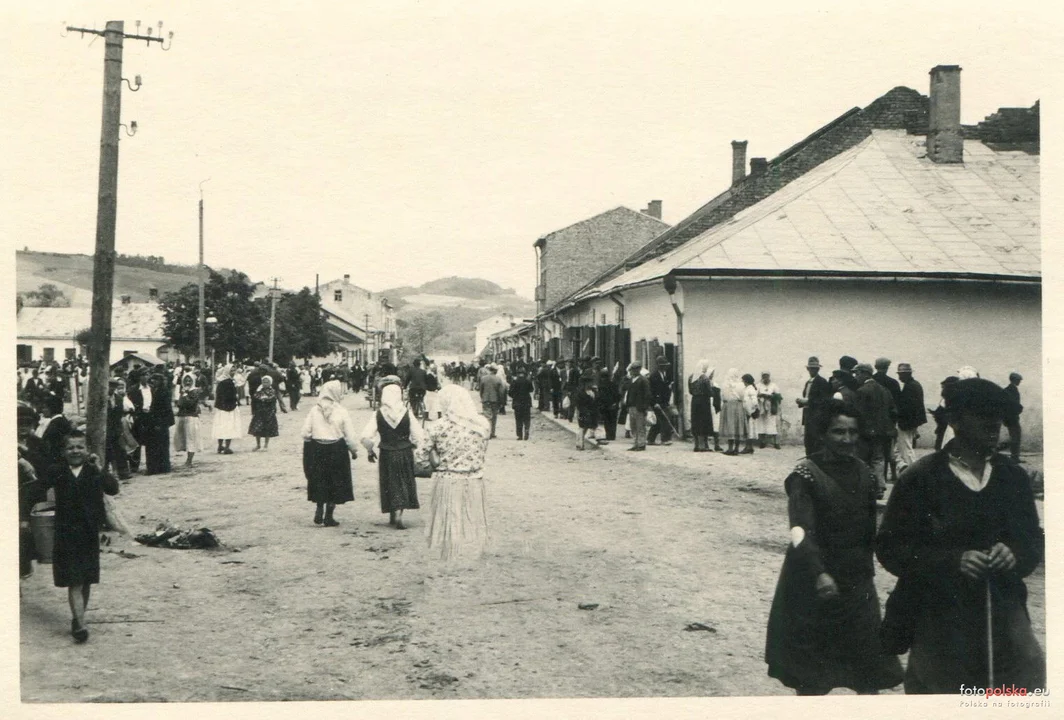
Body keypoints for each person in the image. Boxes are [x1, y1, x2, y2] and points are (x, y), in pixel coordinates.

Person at [876, 378, 1045, 694]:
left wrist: (1015, 553)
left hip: (1004, 613)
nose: (994, 422)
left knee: (1024, 681)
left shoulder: (1013, 477)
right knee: (943, 693)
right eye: (982, 413)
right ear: (954, 421)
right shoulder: (921, 478)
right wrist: (952, 561)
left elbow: (1032, 541)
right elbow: (890, 547)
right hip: (938, 616)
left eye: (999, 413)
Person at [765, 401, 904, 694]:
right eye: (838, 431)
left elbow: (869, 531)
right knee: (813, 674)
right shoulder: (805, 475)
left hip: (856, 583)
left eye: (853, 432)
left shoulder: (865, 474)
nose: (847, 439)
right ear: (823, 434)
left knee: (868, 668)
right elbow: (800, 530)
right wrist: (818, 573)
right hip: (815, 581)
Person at [43, 431, 120, 643]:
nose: (75, 451)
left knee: (85, 579)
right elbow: (37, 490)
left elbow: (113, 489)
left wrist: (99, 467)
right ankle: (80, 625)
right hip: (65, 532)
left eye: (80, 447)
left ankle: (78, 618)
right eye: (70, 448)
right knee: (74, 581)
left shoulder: (93, 471)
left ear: (87, 450)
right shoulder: (56, 471)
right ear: (63, 451)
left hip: (88, 533)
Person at [424, 385, 492, 561]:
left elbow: (421, 456)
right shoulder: (482, 425)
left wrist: (434, 458)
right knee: (472, 516)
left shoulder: (437, 427)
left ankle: (450, 552)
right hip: (475, 478)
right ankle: (473, 551)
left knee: (450, 518)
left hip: (447, 479)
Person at [360, 384, 426, 530]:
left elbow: (366, 436)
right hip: (404, 451)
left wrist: (370, 451)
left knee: (389, 481)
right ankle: (399, 512)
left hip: (387, 452)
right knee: (402, 481)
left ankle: (392, 512)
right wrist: (415, 446)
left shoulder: (378, 414)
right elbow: (418, 435)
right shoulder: (407, 413)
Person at [301, 379, 359, 527]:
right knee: (336, 482)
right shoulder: (341, 411)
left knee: (320, 480)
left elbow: (306, 432)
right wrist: (353, 450)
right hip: (337, 449)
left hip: (317, 449)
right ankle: (329, 516)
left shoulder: (314, 410)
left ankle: (319, 508)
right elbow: (350, 435)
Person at [853, 363, 897, 497]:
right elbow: (893, 411)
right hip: (883, 432)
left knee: (863, 459)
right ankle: (879, 488)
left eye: (857, 373)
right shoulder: (885, 390)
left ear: (864, 373)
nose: (856, 377)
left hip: (866, 432)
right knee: (878, 459)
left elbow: (857, 413)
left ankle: (865, 487)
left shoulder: (862, 391)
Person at [893, 363, 926, 474]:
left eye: (901, 374)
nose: (899, 377)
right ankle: (905, 469)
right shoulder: (915, 385)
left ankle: (913, 472)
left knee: (906, 449)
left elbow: (907, 407)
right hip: (912, 421)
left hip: (906, 422)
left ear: (906, 374)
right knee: (900, 449)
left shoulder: (910, 387)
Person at [796, 357, 832, 457]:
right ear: (808, 369)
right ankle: (809, 458)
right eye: (811, 368)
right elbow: (807, 396)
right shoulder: (808, 382)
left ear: (818, 369)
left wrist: (808, 401)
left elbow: (824, 400)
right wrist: (801, 402)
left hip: (817, 414)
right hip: (808, 413)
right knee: (808, 439)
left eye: (815, 369)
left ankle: (815, 459)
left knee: (816, 439)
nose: (812, 370)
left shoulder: (822, 382)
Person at [688, 361, 719, 452]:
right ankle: (704, 445)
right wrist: (715, 392)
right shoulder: (705, 378)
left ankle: (697, 445)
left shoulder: (691, 377)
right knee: (704, 421)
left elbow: (690, 390)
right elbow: (709, 392)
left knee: (696, 421)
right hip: (704, 401)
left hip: (695, 401)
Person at [212, 365, 242, 455]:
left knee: (221, 427)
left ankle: (220, 445)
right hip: (229, 408)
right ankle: (227, 447)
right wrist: (235, 398)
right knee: (229, 427)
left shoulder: (221, 382)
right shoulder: (229, 382)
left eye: (234, 371)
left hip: (221, 408)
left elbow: (218, 396)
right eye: (231, 371)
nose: (233, 373)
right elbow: (230, 396)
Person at [37, 393, 73, 468]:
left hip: (57, 461)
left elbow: (47, 445)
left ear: (51, 408)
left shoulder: (56, 424)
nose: (42, 410)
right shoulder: (60, 420)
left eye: (44, 408)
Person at [173, 387, 205, 468]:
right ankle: (188, 460)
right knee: (187, 439)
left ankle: (189, 461)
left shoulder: (192, 399)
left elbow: (186, 404)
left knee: (191, 440)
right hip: (186, 419)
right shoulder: (185, 398)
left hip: (191, 419)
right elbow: (179, 405)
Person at [718, 369, 747, 456]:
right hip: (739, 406)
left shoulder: (725, 384)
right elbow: (743, 396)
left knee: (730, 425)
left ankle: (730, 448)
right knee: (738, 426)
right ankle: (736, 448)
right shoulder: (741, 385)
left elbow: (722, 396)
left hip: (728, 406)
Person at [646, 357, 674, 446]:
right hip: (657, 402)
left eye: (666, 366)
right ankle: (665, 439)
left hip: (664, 401)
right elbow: (652, 391)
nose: (666, 367)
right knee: (664, 419)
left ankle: (650, 439)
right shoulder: (654, 376)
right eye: (664, 366)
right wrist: (655, 402)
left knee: (659, 421)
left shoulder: (666, 374)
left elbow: (666, 388)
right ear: (660, 366)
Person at [248, 374, 280, 451]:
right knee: (257, 429)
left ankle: (266, 445)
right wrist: (262, 398)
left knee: (267, 429)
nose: (265, 384)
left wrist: (263, 398)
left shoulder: (272, 391)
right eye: (263, 382)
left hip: (269, 413)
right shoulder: (259, 390)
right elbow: (255, 397)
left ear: (270, 383)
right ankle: (258, 445)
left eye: (267, 382)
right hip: (259, 412)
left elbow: (271, 399)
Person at [755, 372, 783, 449]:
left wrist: (770, 396)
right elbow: (755, 394)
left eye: (767, 376)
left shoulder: (774, 385)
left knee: (773, 423)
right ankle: (762, 442)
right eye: (764, 376)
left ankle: (776, 442)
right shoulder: (758, 385)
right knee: (761, 423)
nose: (765, 378)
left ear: (769, 377)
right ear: (762, 377)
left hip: (771, 406)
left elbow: (779, 396)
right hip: (761, 406)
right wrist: (760, 395)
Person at [626, 363, 650, 451]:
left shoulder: (643, 380)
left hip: (639, 407)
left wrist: (645, 407)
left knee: (640, 426)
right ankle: (635, 443)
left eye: (634, 369)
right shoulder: (631, 380)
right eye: (631, 369)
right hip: (631, 406)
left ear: (638, 369)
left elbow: (647, 395)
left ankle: (641, 444)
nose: (632, 371)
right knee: (633, 426)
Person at [478, 365, 507, 440]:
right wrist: (502, 402)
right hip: (495, 400)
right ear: (495, 371)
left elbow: (481, 390)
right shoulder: (498, 379)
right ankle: (492, 433)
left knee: (487, 417)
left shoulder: (483, 378)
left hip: (486, 399)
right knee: (494, 417)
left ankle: (487, 432)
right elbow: (501, 392)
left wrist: (482, 397)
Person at [574, 371, 599, 451]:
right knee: (582, 427)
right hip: (583, 411)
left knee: (587, 426)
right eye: (588, 382)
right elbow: (579, 403)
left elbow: (596, 400)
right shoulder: (580, 392)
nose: (589, 384)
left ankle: (580, 443)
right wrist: (584, 411)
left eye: (590, 382)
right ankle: (579, 444)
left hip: (592, 411)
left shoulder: (593, 391)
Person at [507, 367, 534, 441]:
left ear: (518, 374)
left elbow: (510, 392)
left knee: (518, 419)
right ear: (524, 374)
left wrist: (514, 396)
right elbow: (531, 390)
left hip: (517, 403)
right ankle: (527, 429)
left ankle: (520, 435)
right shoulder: (528, 381)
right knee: (526, 418)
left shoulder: (514, 381)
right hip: (526, 402)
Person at [1003, 372, 1023, 462]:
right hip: (1012, 418)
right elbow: (1013, 405)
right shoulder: (1012, 390)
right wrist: (1020, 408)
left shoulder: (1007, 389)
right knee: (1016, 436)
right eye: (1019, 380)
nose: (1020, 382)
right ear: (1015, 380)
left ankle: (1014, 456)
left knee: (1014, 436)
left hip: (1010, 418)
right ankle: (1014, 457)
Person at [596, 367, 619, 442]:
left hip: (608, 405)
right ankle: (611, 435)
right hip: (610, 405)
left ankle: (610, 435)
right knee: (611, 421)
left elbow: (599, 396)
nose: (603, 379)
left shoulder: (601, 386)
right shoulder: (612, 384)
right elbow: (617, 395)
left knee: (608, 421)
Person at [740, 373, 760, 454]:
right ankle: (749, 447)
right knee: (749, 430)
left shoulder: (750, 389)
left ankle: (748, 447)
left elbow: (754, 401)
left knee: (749, 430)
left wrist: (752, 411)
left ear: (746, 381)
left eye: (743, 380)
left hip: (750, 412)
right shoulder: (748, 388)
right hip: (747, 412)